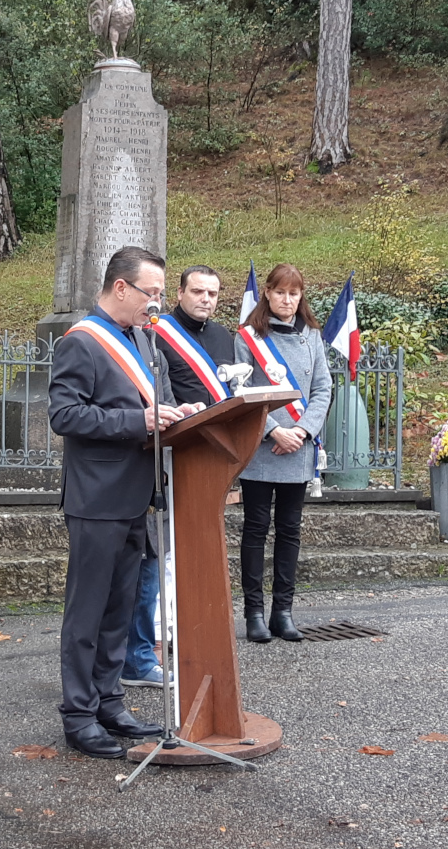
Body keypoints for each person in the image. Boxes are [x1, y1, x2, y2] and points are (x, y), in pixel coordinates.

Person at [47, 245, 193, 760]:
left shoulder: (144, 341)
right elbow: (64, 416)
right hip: (95, 496)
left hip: (136, 494)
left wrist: (180, 413)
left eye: (159, 294)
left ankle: (110, 701)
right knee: (87, 612)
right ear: (121, 287)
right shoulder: (82, 342)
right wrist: (138, 423)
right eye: (151, 293)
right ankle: (79, 715)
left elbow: (151, 405)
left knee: (120, 609)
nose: (156, 304)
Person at [133, 265, 236, 685]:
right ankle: (149, 641)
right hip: (163, 460)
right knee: (155, 557)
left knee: (184, 552)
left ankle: (178, 630)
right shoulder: (159, 334)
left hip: (210, 457)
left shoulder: (225, 337)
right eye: (197, 291)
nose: (205, 299)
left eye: (213, 293)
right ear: (180, 293)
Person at [233, 263, 333, 643]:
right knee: (256, 529)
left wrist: (302, 430)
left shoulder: (312, 336)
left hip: (299, 447)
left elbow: (323, 389)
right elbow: (242, 391)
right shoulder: (248, 337)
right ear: (268, 294)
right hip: (262, 446)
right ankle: (254, 613)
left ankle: (283, 612)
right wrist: (276, 430)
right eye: (280, 292)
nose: (287, 300)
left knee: (290, 530)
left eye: (294, 293)